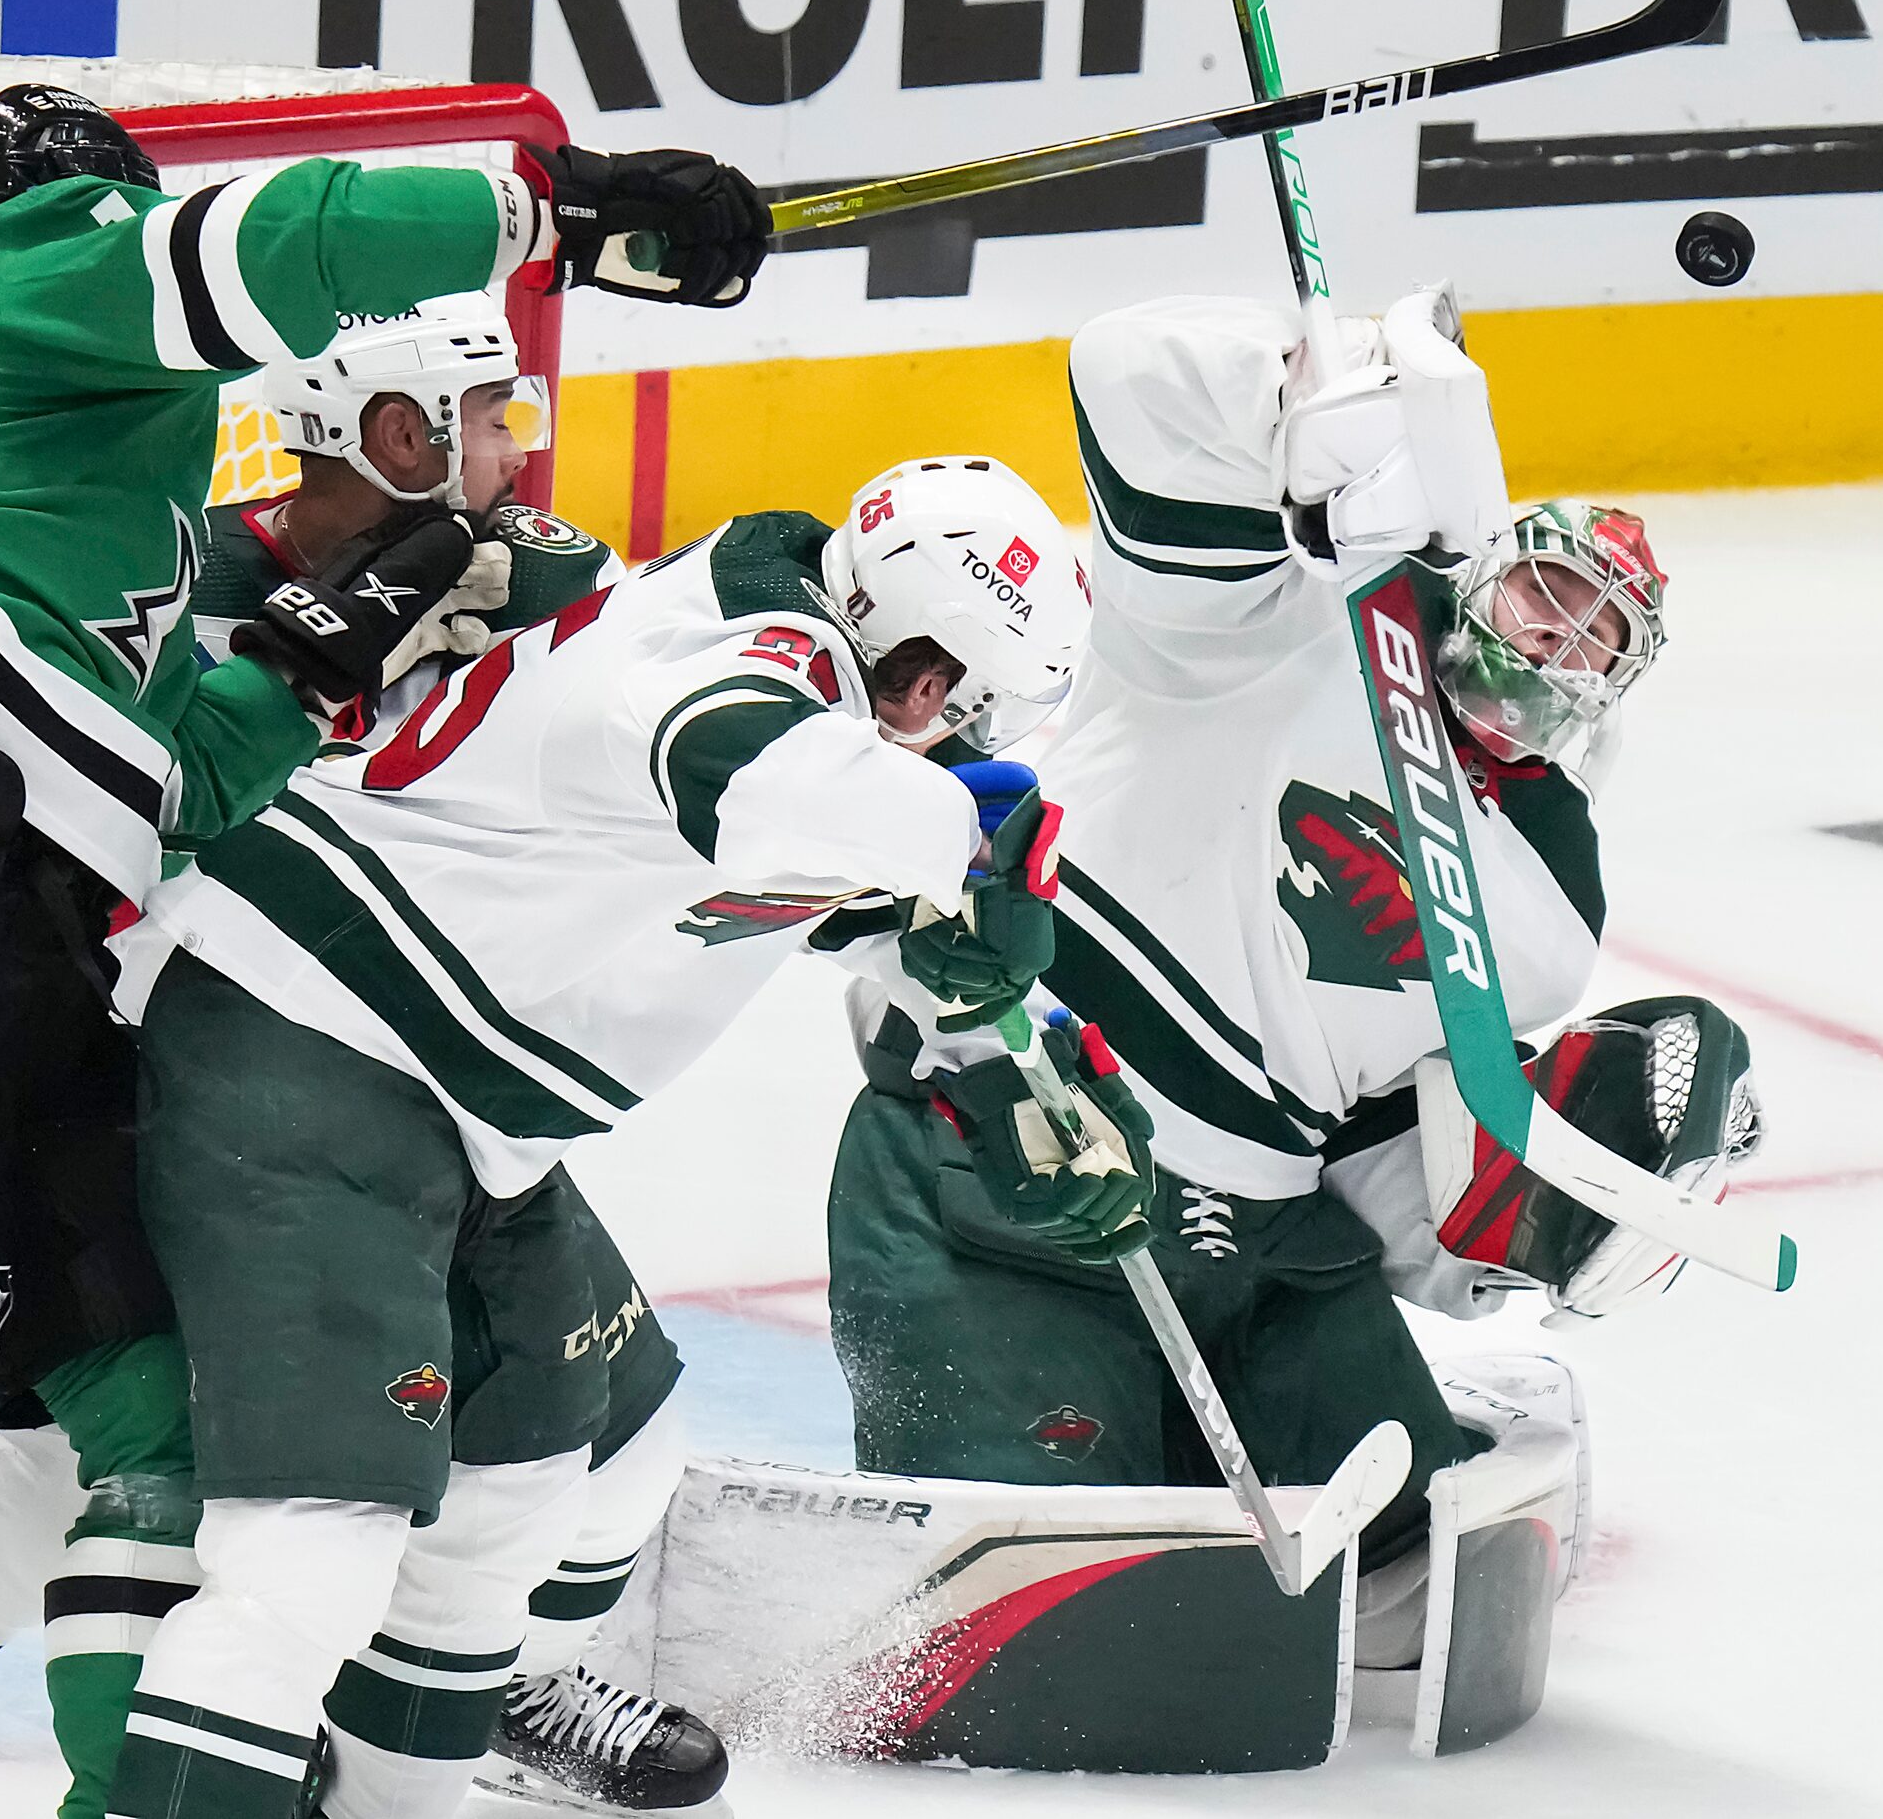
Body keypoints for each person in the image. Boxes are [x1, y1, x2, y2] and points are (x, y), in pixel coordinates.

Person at [0, 82, 769, 1819]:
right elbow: (269, 237)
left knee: (166, 1431)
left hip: (35, 951)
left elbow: (170, 784)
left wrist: (319, 665)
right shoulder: (13, 277)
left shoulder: (134, 523)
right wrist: (557, 206)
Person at [102, 453, 1128, 1818]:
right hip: (306, 1045)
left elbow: (838, 905)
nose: (952, 746)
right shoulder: (745, 663)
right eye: (963, 718)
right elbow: (741, 763)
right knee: (308, 1559)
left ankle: (467, 1707)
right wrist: (974, 838)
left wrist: (1021, 1075)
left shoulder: (816, 697)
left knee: (591, 1455)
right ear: (930, 678)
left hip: (460, 1115)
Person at [824, 293, 1762, 1673]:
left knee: (1414, 1579)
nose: (1556, 645)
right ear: (1487, 572)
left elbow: (1375, 1137)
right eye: (1542, 596)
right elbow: (1122, 372)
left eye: (1594, 640)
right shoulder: (1273, 620)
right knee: (1031, 1618)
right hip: (1000, 1169)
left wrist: (1536, 1217)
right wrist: (1320, 388)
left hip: (1262, 1251)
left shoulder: (1547, 909)